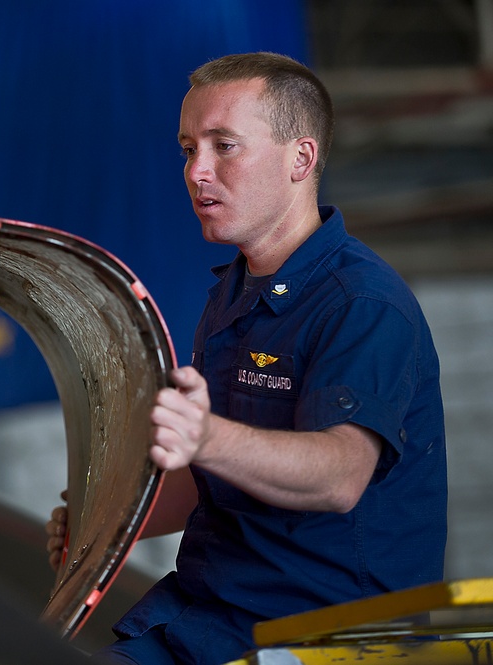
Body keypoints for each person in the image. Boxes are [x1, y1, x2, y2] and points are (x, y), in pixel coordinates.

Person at [45, 52, 447, 665]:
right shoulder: (234, 295)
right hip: (212, 618)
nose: (197, 171)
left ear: (301, 159)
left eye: (223, 146)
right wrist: (97, 530)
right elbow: (211, 477)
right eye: (187, 149)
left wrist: (205, 436)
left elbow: (340, 475)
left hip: (326, 637)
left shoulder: (362, 304)